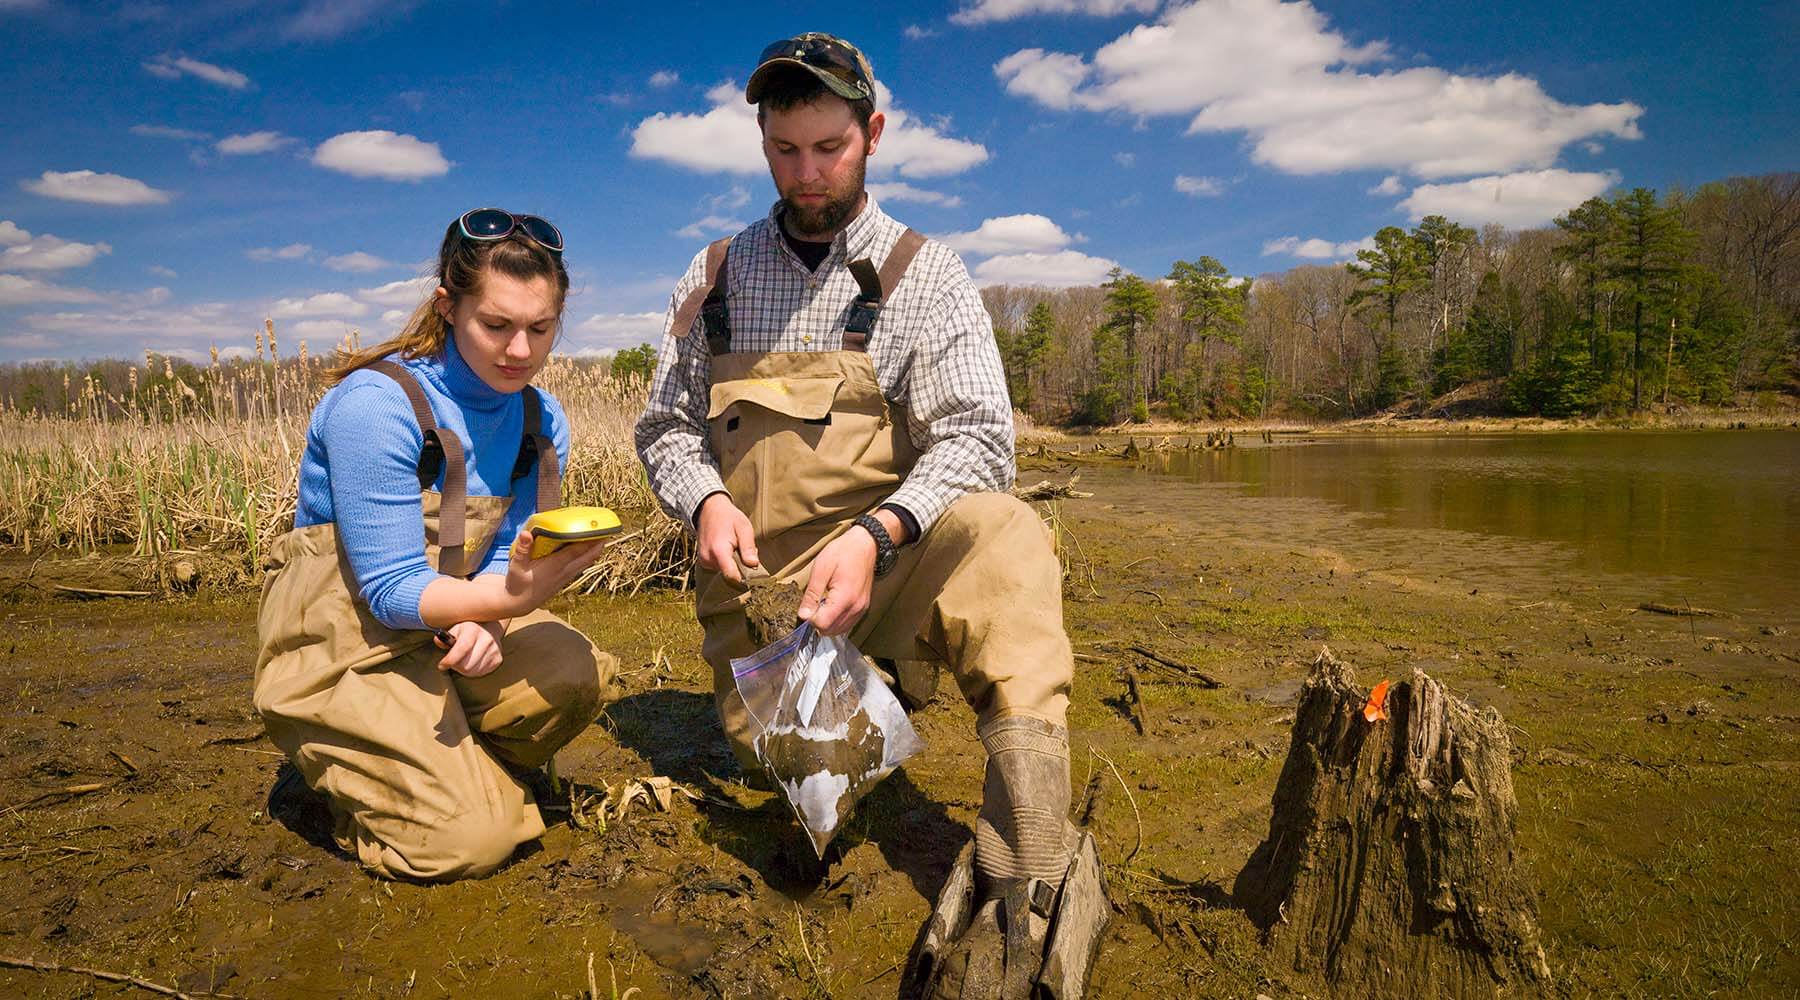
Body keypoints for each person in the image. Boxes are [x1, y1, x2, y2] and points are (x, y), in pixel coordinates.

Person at [635, 34, 1105, 998]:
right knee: (827, 798)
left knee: (1010, 530)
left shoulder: (926, 276)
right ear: (763, 141)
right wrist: (706, 497)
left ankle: (1032, 857)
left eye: (830, 149)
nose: (807, 175)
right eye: (785, 150)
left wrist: (874, 533)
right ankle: (859, 711)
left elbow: (980, 442)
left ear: (873, 134)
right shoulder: (714, 276)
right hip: (773, 615)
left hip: (887, 575)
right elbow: (664, 430)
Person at [254, 209, 616, 882]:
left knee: (573, 671)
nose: (519, 351)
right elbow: (390, 591)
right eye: (496, 325)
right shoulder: (377, 404)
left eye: (541, 329)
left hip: (445, 626)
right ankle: (354, 786)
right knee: (468, 846)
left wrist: (495, 619)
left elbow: (514, 550)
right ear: (448, 306)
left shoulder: (543, 420)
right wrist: (501, 597)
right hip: (348, 635)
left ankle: (436, 773)